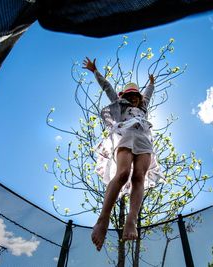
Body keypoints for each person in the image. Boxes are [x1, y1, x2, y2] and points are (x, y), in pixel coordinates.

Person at [83, 57, 163, 251]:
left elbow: (148, 94)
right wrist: (95, 71)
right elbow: (108, 88)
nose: (134, 97)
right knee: (122, 174)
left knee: (139, 177)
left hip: (144, 140)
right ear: (126, 96)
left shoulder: (142, 108)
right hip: (125, 137)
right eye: (131, 95)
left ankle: (131, 220)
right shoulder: (121, 105)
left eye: (136, 95)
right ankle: (103, 220)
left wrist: (151, 84)